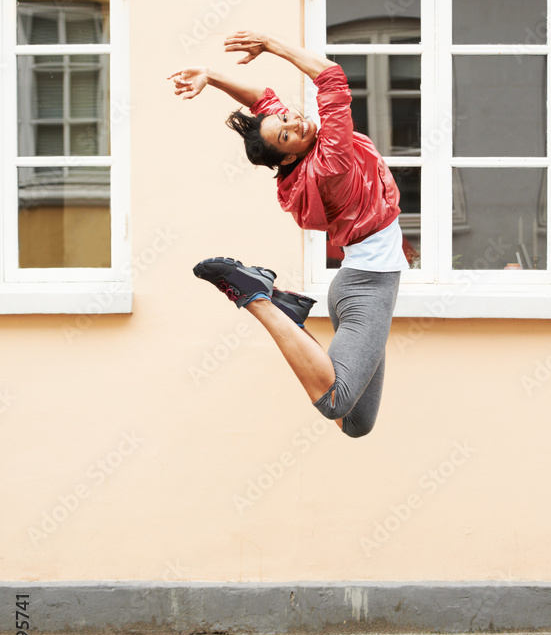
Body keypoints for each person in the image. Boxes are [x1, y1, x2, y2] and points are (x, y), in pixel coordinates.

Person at [169, 31, 408, 438]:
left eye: (285, 119)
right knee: (335, 401)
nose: (293, 121)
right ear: (290, 154)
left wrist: (211, 75)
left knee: (356, 423)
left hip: (359, 279)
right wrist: (272, 44)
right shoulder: (331, 159)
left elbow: (260, 100)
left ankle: (286, 310)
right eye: (286, 134)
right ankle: (257, 298)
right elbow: (332, 78)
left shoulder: (304, 157)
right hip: (370, 283)